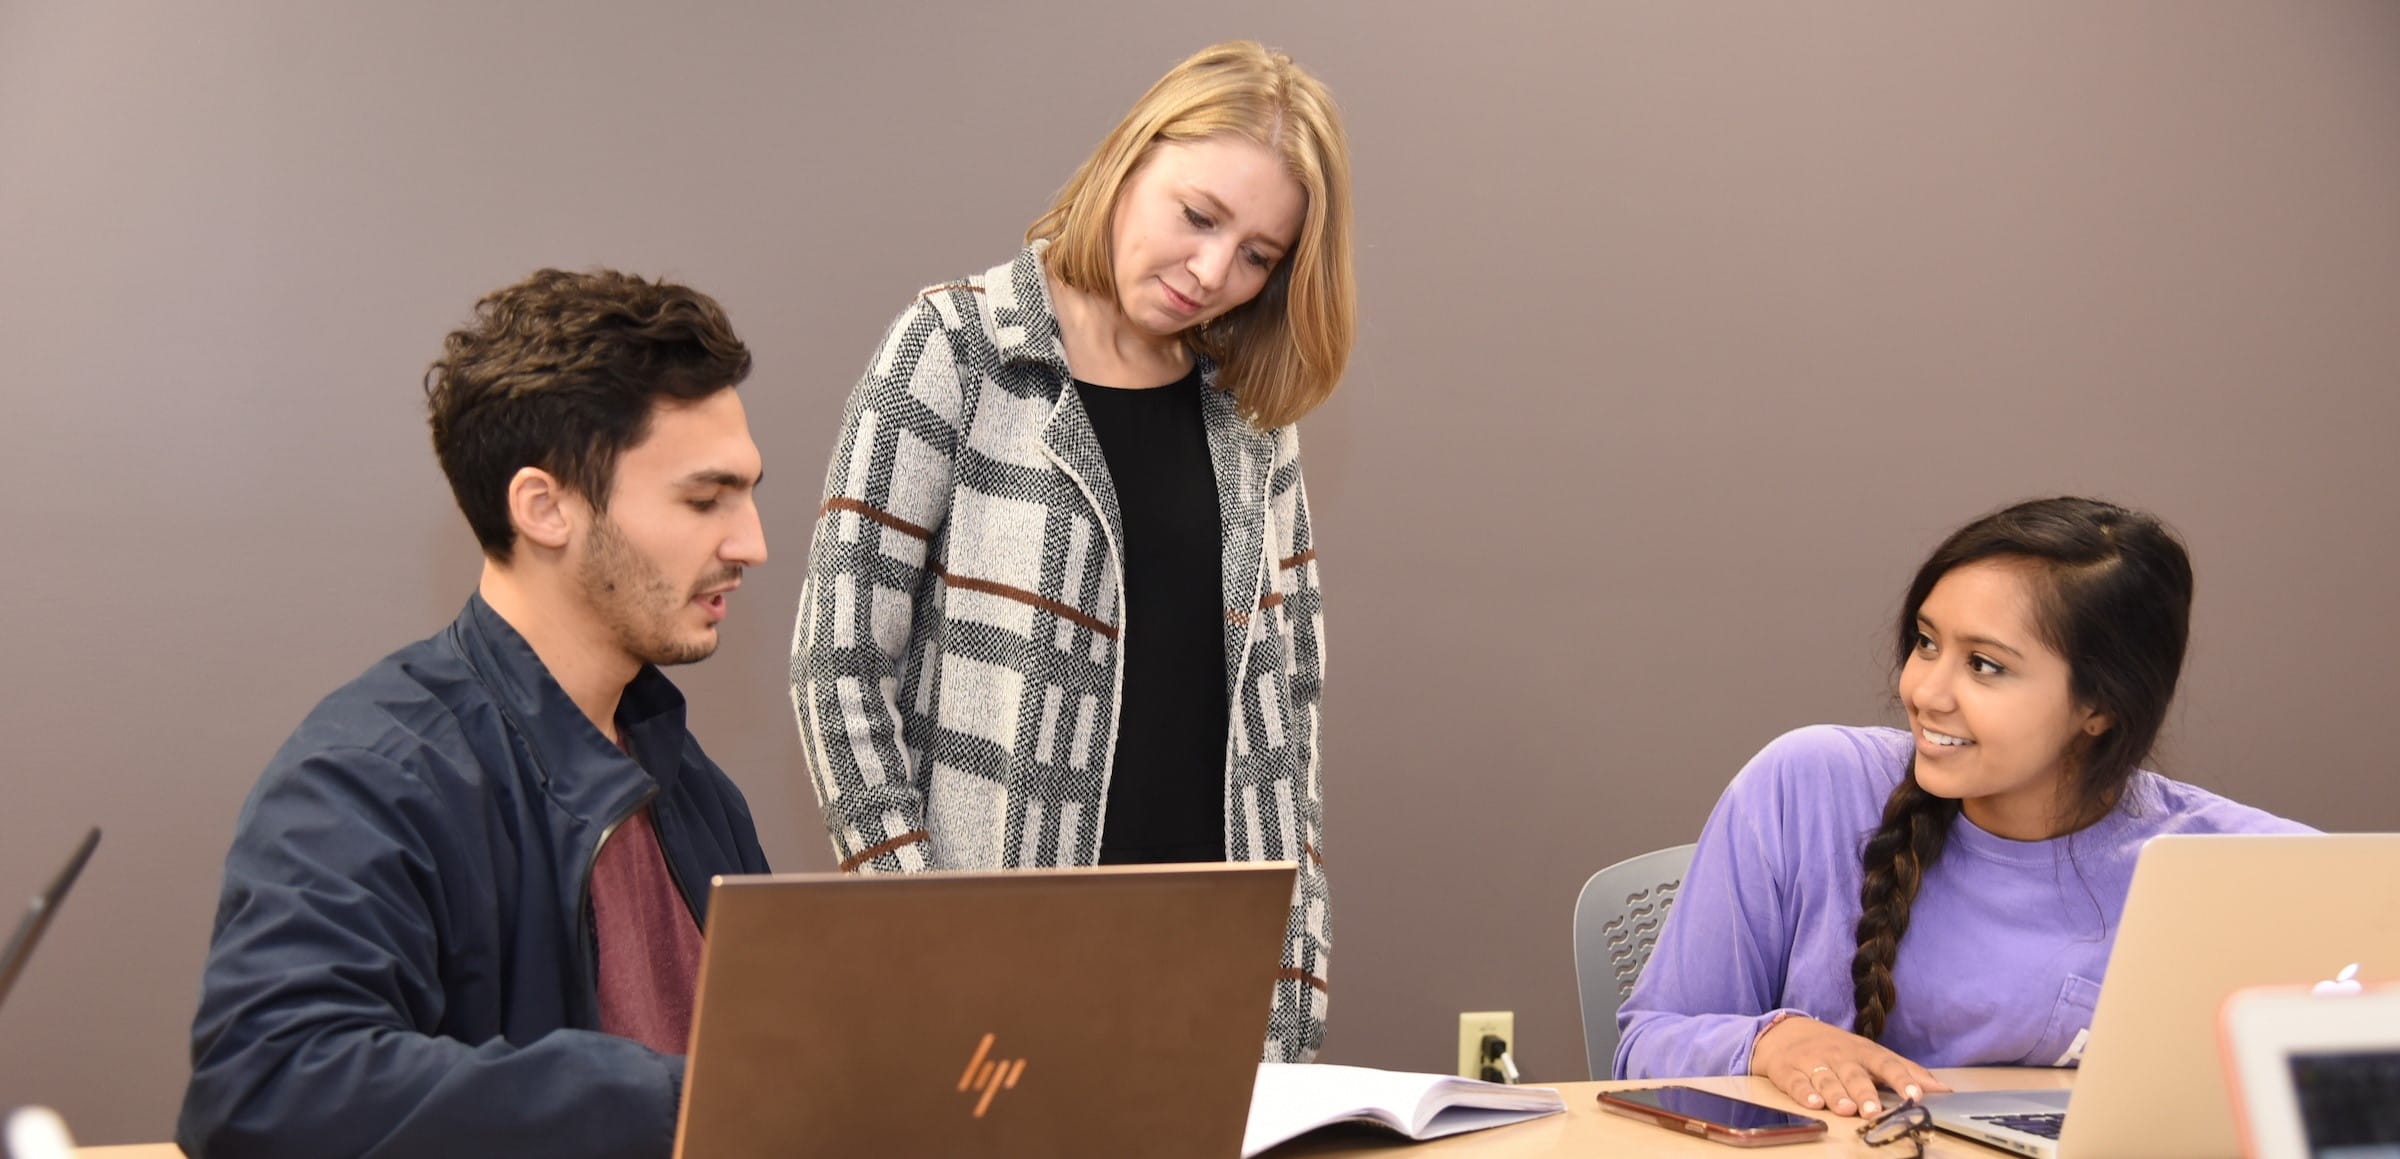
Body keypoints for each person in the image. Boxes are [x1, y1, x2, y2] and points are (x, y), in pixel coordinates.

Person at [789, 40, 1353, 1062]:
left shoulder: (1250, 415)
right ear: (1131, 159)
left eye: (1260, 254)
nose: (1214, 272)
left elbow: (1291, 698)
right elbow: (836, 671)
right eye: (1199, 216)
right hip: (997, 962)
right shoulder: (956, 347)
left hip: (1217, 972)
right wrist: (925, 936)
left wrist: (1299, 956)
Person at [179, 270, 771, 1159]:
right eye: (703, 499)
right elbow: (266, 1084)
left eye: (748, 492)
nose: (751, 542)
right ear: (544, 507)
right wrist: (674, 1096)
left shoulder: (694, 790)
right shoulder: (367, 775)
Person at [1615, 497, 2313, 1115]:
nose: (1925, 691)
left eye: (1985, 664)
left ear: (2099, 705)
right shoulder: (1807, 785)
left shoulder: (2238, 868)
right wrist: (1771, 1038)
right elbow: (1647, 1041)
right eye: (1926, 642)